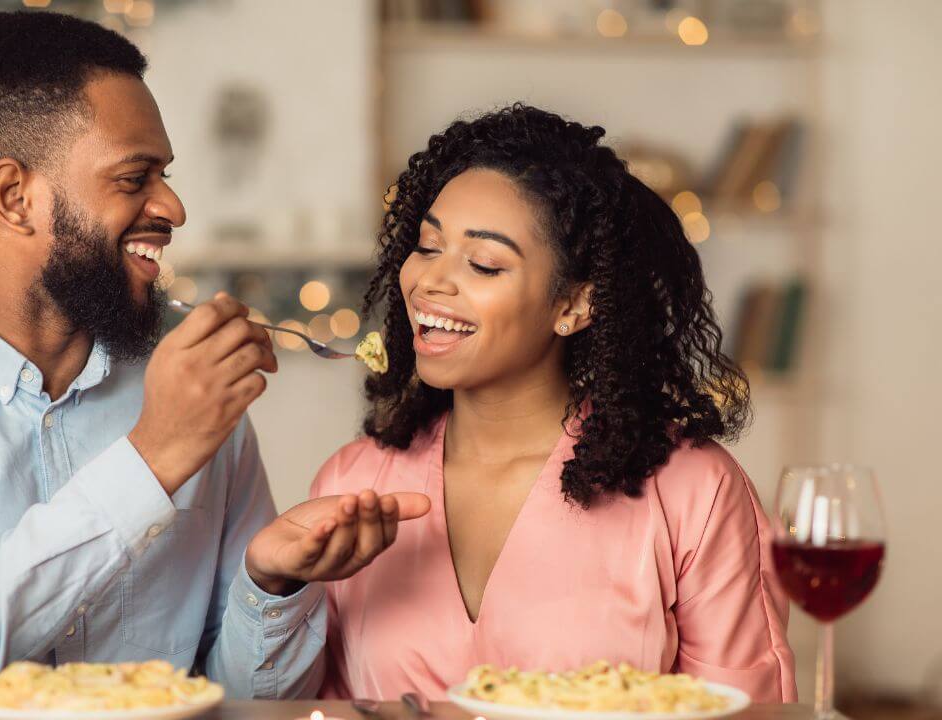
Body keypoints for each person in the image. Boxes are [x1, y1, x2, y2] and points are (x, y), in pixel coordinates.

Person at [0, 12, 427, 710]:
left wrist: (272, 586)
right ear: (15, 197)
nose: (172, 207)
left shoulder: (192, 384)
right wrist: (150, 460)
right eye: (134, 177)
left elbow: (239, 703)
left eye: (164, 175)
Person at [313, 104, 797, 703]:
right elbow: (316, 703)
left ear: (574, 305)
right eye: (428, 245)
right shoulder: (353, 481)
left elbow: (744, 711)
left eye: (485, 264)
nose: (430, 282)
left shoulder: (694, 491)